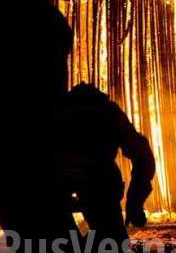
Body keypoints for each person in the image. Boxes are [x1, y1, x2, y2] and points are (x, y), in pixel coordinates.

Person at [53, 82, 156, 244]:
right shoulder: (107, 111)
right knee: (112, 243)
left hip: (91, 180)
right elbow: (141, 152)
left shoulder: (59, 112)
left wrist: (135, 199)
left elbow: (141, 153)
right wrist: (135, 202)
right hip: (90, 179)